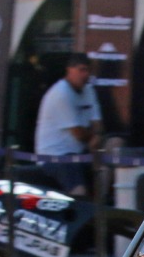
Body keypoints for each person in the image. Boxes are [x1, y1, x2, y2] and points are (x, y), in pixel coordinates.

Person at [34, 53, 102, 195]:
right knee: (79, 189)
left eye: (88, 71)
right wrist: (94, 138)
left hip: (80, 153)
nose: (85, 75)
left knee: (115, 145)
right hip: (56, 156)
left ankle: (103, 201)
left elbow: (98, 123)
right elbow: (78, 133)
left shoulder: (89, 90)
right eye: (81, 70)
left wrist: (98, 137)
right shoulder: (61, 93)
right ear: (69, 70)